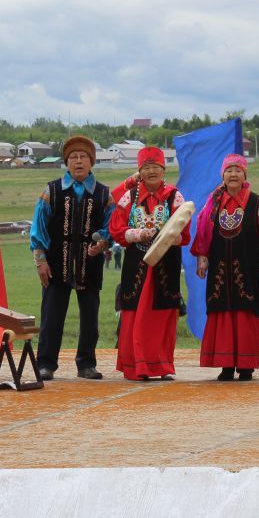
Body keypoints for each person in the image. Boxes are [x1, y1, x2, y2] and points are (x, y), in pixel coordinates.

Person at [30, 135, 113, 381]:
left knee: (90, 317)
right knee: (52, 316)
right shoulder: (52, 191)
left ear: (91, 162)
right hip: (56, 264)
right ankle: (46, 363)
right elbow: (39, 226)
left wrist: (103, 242)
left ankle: (86, 363)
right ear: (66, 162)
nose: (78, 161)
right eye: (73, 157)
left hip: (90, 264)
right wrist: (40, 260)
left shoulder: (103, 194)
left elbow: (111, 226)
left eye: (83, 157)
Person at [190, 153, 259, 380]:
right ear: (223, 175)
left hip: (247, 269)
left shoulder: (257, 203)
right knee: (221, 311)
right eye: (229, 170)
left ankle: (246, 366)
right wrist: (202, 259)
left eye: (238, 170)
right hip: (220, 269)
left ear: (244, 174)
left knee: (246, 312)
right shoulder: (214, 203)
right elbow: (203, 233)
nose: (233, 174)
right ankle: (226, 364)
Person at [109, 146, 190, 381]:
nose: (152, 171)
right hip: (137, 264)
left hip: (166, 264)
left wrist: (168, 237)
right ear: (139, 172)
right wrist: (137, 234)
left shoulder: (175, 196)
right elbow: (116, 229)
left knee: (162, 312)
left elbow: (185, 231)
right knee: (135, 311)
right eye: (146, 167)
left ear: (164, 170)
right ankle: (136, 366)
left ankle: (161, 365)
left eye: (156, 167)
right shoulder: (129, 197)